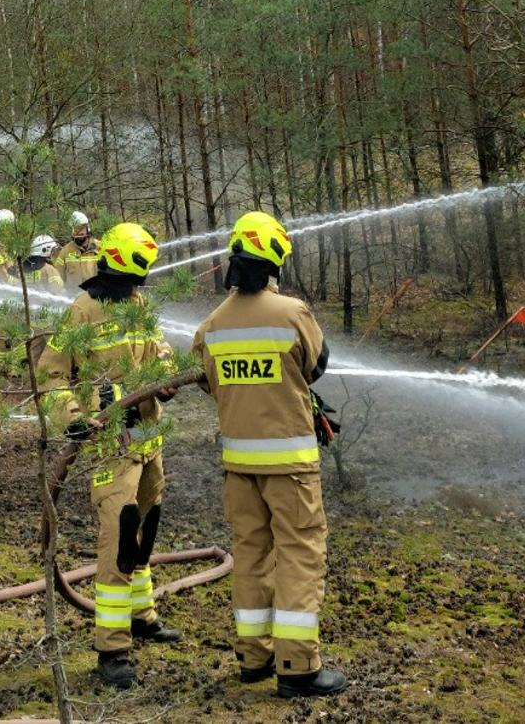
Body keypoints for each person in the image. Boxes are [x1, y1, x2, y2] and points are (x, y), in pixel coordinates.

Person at [190, 211, 347, 697]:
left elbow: (207, 383)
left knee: (251, 556)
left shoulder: (212, 325)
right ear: (276, 257)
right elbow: (316, 365)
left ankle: (253, 658)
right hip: (291, 469)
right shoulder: (292, 313)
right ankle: (298, 666)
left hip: (239, 469)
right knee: (299, 554)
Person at [35, 222, 184, 689]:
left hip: (148, 438)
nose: (140, 282)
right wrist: (72, 415)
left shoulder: (138, 303)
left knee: (146, 525)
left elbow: (159, 353)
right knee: (118, 539)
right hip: (110, 445)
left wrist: (170, 376)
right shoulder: (83, 310)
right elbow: (50, 376)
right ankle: (112, 648)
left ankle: (142, 615)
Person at [55, 211, 101, 289]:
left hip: (94, 297)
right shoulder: (65, 251)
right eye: (75, 229)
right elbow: (57, 276)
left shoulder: (100, 247)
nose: (78, 232)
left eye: (80, 229)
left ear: (87, 229)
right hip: (73, 298)